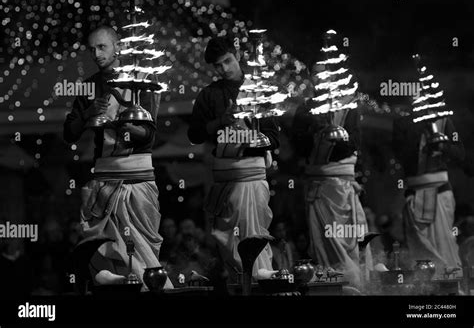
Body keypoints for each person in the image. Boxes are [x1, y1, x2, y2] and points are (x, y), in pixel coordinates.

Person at [63, 25, 172, 289]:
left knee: (142, 247)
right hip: (104, 175)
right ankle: (118, 281)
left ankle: (147, 284)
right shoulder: (89, 86)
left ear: (118, 47)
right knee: (100, 241)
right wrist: (89, 113)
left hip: (137, 175)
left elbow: (148, 135)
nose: (96, 54)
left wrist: (122, 124)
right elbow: (69, 133)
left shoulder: (142, 80)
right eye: (92, 49)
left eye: (102, 47)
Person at [187, 36, 280, 284]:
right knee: (229, 239)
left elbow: (274, 137)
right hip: (225, 178)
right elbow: (194, 134)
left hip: (253, 175)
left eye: (227, 61)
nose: (224, 69)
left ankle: (260, 280)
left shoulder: (259, 89)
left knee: (256, 231)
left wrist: (252, 137)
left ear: (237, 54)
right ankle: (241, 283)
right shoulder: (208, 95)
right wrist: (221, 123)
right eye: (218, 66)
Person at [291, 62, 372, 288]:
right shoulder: (306, 110)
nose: (323, 80)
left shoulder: (349, 108)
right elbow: (297, 147)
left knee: (350, 244)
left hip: (344, 188)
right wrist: (313, 131)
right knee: (323, 245)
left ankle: (355, 287)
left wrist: (332, 138)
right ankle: (330, 287)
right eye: (317, 76)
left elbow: (354, 144)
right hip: (319, 188)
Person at [392, 114, 464, 277]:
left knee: (445, 246)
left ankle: (450, 286)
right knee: (420, 251)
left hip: (440, 194)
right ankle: (425, 289)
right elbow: (400, 154)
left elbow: (460, 153)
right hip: (415, 195)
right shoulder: (402, 120)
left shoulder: (444, 120)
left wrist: (443, 147)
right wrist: (421, 130)